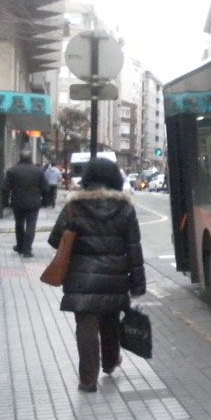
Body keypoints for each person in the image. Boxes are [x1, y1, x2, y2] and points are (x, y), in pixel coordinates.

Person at [47, 157, 146, 393]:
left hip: (81, 277)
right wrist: (138, 284)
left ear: (87, 178)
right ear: (115, 179)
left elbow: (54, 241)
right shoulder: (125, 208)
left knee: (86, 325)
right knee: (110, 319)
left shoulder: (73, 207)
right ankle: (111, 362)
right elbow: (134, 248)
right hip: (115, 276)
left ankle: (87, 380)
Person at [1, 150, 47, 257]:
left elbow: (5, 188)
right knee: (31, 226)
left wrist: (5, 202)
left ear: (19, 157)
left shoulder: (12, 171)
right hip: (34, 203)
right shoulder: (38, 171)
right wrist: (45, 201)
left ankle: (20, 246)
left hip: (18, 202)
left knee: (19, 225)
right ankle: (27, 250)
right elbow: (45, 188)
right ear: (31, 158)